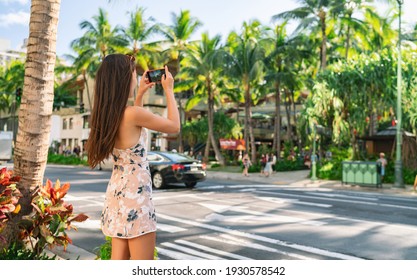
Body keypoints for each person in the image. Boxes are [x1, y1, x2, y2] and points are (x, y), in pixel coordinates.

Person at [86, 54, 179, 260]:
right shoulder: (132, 114)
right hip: (136, 199)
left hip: (118, 196)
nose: (134, 80)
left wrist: (140, 95)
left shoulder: (109, 115)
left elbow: (133, 129)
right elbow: (174, 126)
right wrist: (169, 90)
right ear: (122, 79)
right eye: (132, 76)